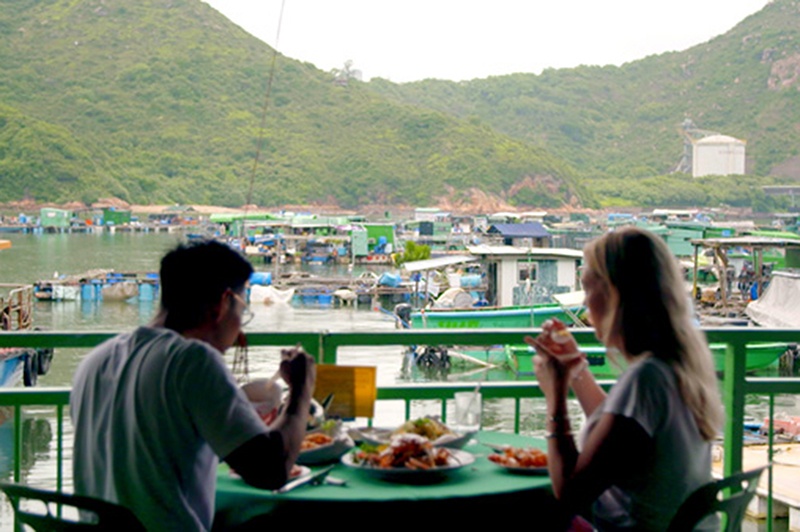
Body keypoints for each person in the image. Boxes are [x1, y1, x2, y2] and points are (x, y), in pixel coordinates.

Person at [71, 240, 315, 531]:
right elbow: (270, 470)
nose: (239, 330)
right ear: (223, 304)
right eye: (242, 310)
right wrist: (301, 388)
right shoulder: (193, 361)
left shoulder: (95, 360)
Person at [526, 227, 723, 531]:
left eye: (588, 287)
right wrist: (576, 367)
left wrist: (555, 396)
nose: (585, 304)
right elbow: (617, 434)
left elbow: (569, 493)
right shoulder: (677, 364)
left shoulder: (646, 378)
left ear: (615, 294)